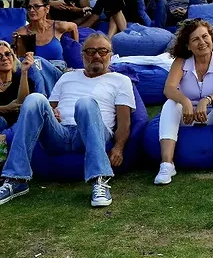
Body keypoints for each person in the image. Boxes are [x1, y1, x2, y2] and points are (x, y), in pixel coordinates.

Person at [0, 33, 135, 207]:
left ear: (110, 55)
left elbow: (125, 122)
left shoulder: (121, 81)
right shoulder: (67, 77)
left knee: (85, 103)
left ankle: (99, 179)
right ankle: (16, 179)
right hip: (60, 134)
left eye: (102, 51)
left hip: (90, 134)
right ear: (82, 55)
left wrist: (119, 147)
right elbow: (47, 108)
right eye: (90, 51)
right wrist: (53, 111)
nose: (96, 56)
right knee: (34, 99)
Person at [154, 20, 213, 184]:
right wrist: (185, 102)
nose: (202, 42)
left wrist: (206, 100)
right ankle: (167, 165)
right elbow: (168, 89)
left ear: (212, 38)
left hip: (211, 115)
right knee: (170, 103)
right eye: (195, 39)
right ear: (188, 46)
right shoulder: (181, 62)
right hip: (186, 116)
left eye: (205, 37)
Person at [14, 0, 79, 65]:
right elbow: (20, 62)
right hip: (36, 70)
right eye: (29, 7)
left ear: (47, 9)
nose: (32, 10)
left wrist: (74, 50)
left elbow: (74, 26)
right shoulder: (22, 33)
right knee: (32, 62)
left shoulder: (57, 26)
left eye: (37, 6)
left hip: (57, 69)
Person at [0, 43, 34, 131]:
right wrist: (5, 108)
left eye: (8, 54)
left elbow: (22, 104)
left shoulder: (23, 80)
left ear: (13, 57)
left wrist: (24, 72)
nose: (4, 58)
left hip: (15, 126)